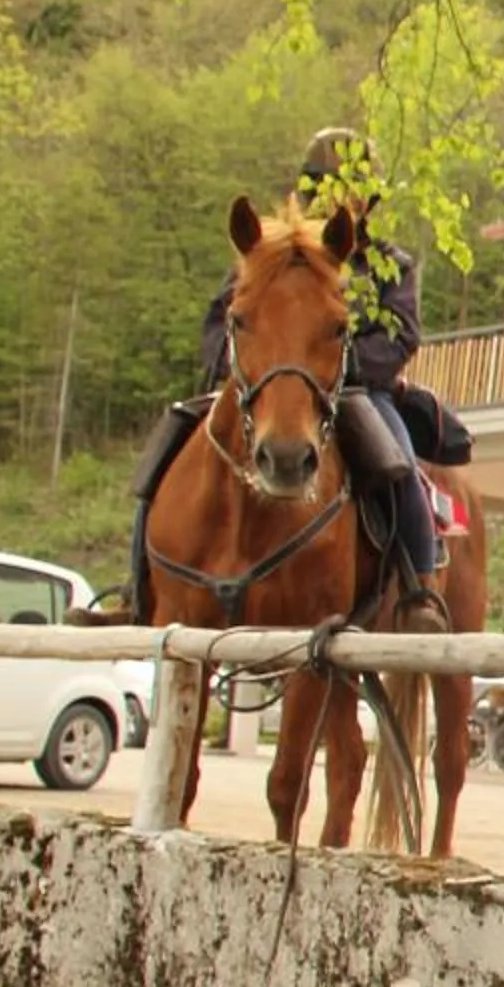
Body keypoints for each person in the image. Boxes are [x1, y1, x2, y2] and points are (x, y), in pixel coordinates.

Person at [80, 127, 446, 631]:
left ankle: (418, 589)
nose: (339, 199)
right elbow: (219, 322)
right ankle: (137, 591)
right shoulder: (265, 256)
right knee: (171, 438)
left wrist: (335, 367)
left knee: (398, 462)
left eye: (352, 190)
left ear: (369, 200)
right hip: (260, 385)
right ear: (309, 190)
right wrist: (237, 366)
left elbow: (402, 334)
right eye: (326, 188)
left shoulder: (388, 266)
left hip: (352, 389)